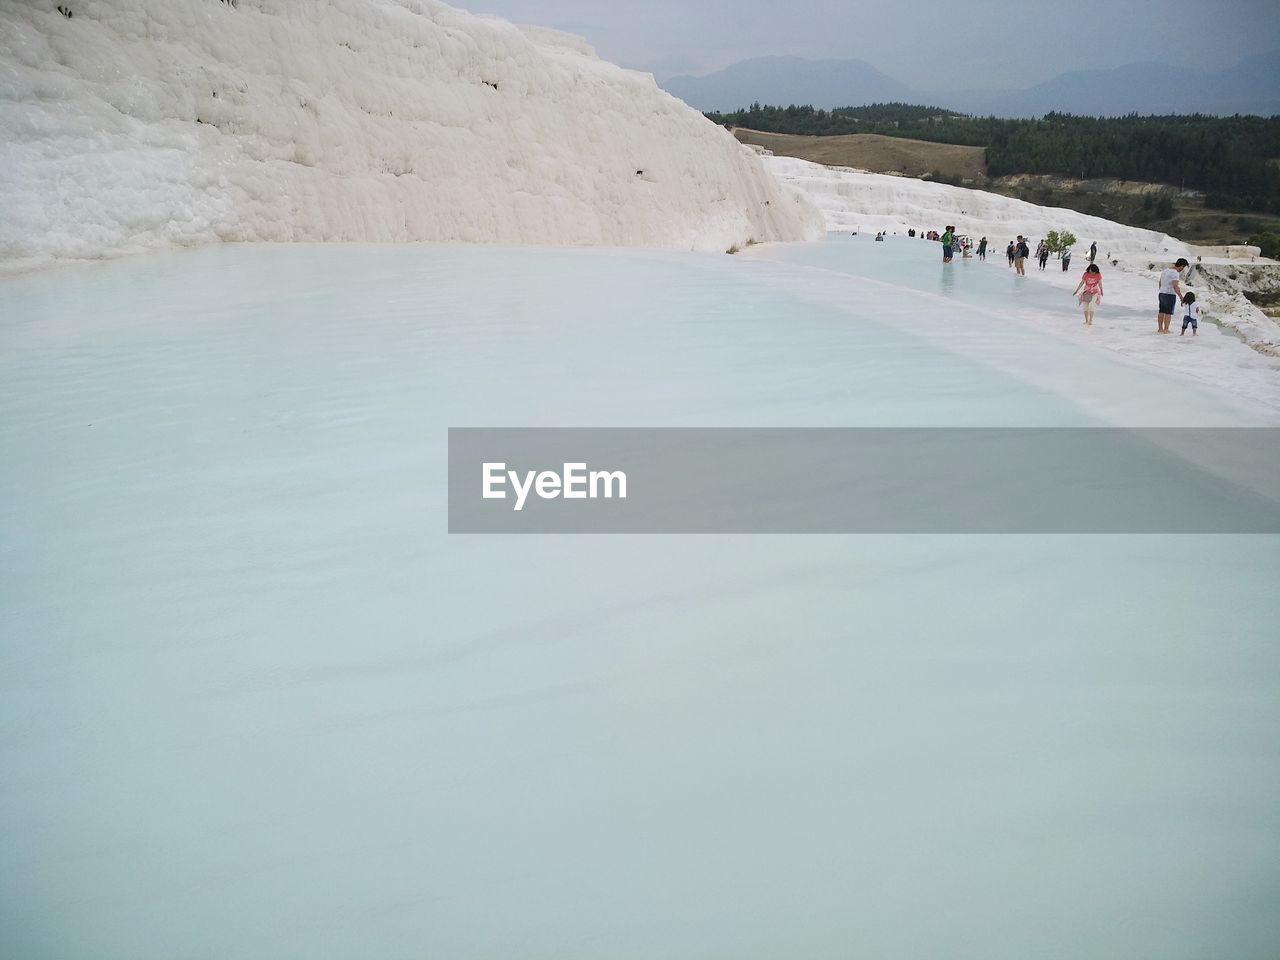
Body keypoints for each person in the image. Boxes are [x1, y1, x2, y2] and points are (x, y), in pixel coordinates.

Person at [1157, 258, 1189, 333]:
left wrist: (1161, 290)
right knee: (1168, 313)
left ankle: (1160, 329)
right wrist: (1181, 297)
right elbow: (1175, 286)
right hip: (1169, 294)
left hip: (1162, 293)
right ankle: (1166, 329)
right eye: (1183, 267)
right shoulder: (1175, 273)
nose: (1182, 269)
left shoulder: (1165, 270)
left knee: (1161, 311)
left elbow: (1160, 282)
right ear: (1181, 266)